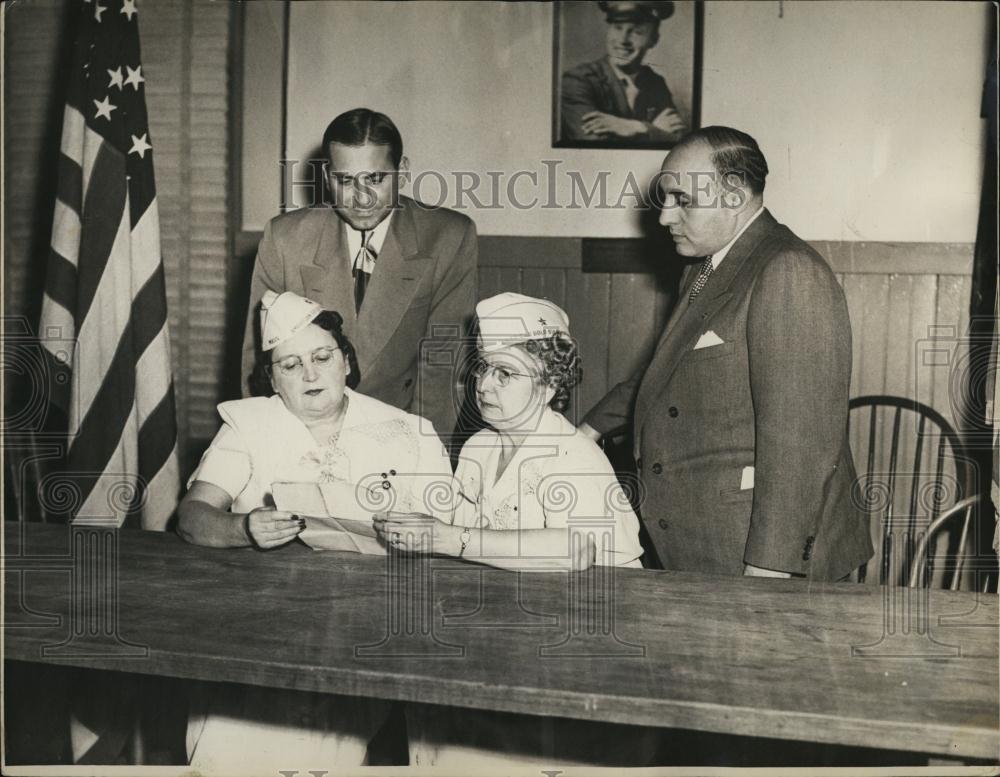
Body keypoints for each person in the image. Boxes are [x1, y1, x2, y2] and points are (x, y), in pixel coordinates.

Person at [375, 293, 656, 768]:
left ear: (549, 384)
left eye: (505, 374)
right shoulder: (479, 447)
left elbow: (575, 550)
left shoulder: (573, 455)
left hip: (587, 644)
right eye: (483, 369)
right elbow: (466, 536)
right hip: (509, 631)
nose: (484, 385)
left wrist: (449, 538)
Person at [580, 126, 874, 581]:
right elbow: (668, 370)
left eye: (683, 200)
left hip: (756, 552)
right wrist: (587, 430)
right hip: (704, 538)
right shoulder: (705, 267)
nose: (664, 217)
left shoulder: (788, 270)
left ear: (734, 197)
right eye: (665, 198)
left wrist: (770, 568)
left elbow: (801, 443)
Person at [179, 290, 453, 772]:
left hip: (360, 627)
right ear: (272, 379)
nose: (309, 374)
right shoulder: (249, 426)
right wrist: (243, 528)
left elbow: (446, 536)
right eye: (290, 365)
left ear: (346, 361)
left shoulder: (408, 431)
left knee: (317, 743)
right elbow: (192, 515)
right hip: (258, 625)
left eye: (322, 357)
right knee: (227, 737)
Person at [241, 108, 477, 446]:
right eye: (345, 180)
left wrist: (424, 456)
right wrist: (273, 449)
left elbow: (442, 365)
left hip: (398, 433)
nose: (362, 198)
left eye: (376, 179)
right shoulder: (285, 239)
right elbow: (259, 364)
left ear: (402, 171)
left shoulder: (448, 237)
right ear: (327, 176)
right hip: (301, 435)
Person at [560, 0, 686, 145]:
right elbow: (594, 144)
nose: (623, 40)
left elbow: (677, 139)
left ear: (653, 39)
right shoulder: (577, 80)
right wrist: (651, 130)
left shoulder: (655, 83)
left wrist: (633, 127)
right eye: (617, 28)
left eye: (636, 32)